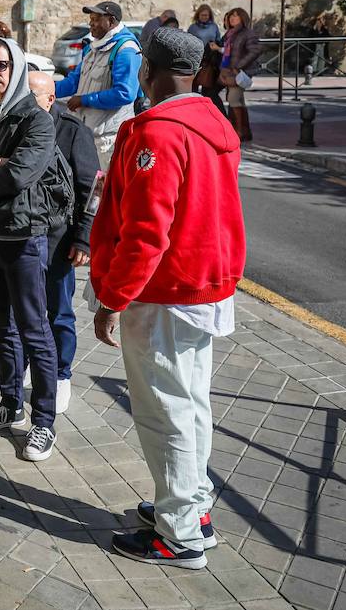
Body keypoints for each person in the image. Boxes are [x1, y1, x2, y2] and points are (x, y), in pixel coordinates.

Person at [90, 28, 246, 570]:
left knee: (166, 413)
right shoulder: (212, 122)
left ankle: (179, 534)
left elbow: (146, 232)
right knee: (191, 404)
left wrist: (112, 297)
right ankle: (191, 506)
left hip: (165, 290)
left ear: (150, 73)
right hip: (202, 283)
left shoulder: (159, 134)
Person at [0, 39, 71, 462]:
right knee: (2, 328)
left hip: (23, 238)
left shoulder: (35, 119)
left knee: (34, 330)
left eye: (3, 65)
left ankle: (44, 421)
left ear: (18, 67)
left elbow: (18, 177)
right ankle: (11, 403)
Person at [0, 71, 100, 415]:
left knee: (57, 311)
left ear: (51, 99)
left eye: (36, 95)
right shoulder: (13, 124)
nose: (28, 100)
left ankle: (61, 376)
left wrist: (84, 237)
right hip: (20, 237)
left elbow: (93, 189)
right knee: (19, 313)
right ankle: (20, 377)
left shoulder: (73, 130)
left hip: (58, 240)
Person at [54, 1, 142, 168]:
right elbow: (73, 82)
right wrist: (45, 89)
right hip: (85, 136)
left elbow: (125, 93)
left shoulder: (126, 50)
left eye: (95, 19)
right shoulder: (93, 48)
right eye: (91, 19)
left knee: (103, 191)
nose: (90, 24)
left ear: (110, 21)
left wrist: (84, 100)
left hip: (108, 141)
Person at [219, 7, 261, 142]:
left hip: (238, 72)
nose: (232, 18)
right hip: (228, 71)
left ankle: (238, 131)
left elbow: (255, 51)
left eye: (236, 16)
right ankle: (244, 131)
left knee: (234, 99)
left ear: (242, 18)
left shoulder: (247, 33)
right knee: (238, 101)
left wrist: (239, 66)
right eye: (231, 16)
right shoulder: (230, 34)